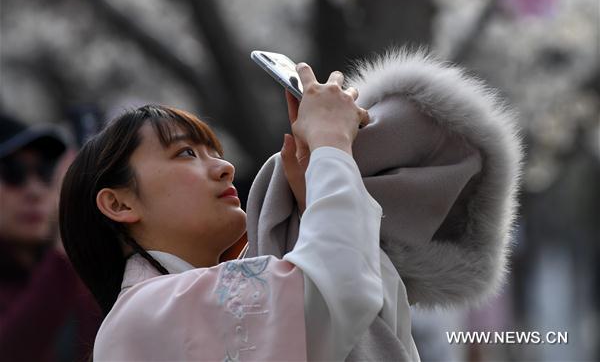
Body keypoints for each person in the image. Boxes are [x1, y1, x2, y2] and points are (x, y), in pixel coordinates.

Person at [59, 63, 420, 361]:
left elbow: (370, 313)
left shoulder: (163, 306)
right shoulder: (146, 311)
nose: (225, 167)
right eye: (186, 153)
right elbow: (333, 292)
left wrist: (315, 197)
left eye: (215, 153)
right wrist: (331, 142)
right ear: (119, 204)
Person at [0, 112, 102, 362]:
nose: (34, 190)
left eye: (45, 172)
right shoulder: (62, 266)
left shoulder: (81, 273)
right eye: (13, 173)